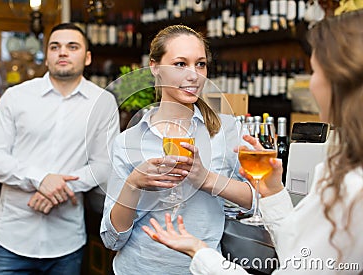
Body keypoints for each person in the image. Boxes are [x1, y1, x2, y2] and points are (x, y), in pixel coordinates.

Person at [142, 10, 363, 274]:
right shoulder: (346, 172)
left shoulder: (353, 187)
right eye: (181, 64)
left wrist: (199, 252)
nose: (310, 84)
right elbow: (302, 256)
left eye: (314, 71)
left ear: (341, 82)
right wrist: (273, 192)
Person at [100, 25, 255, 275]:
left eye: (201, 64)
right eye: (181, 64)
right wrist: (133, 183)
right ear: (155, 67)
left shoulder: (227, 129)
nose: (193, 75)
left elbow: (257, 201)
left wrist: (206, 179)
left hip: (202, 269)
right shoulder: (129, 141)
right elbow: (112, 238)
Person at [0, 23, 120, 274]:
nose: (62, 52)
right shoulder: (16, 96)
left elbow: (104, 164)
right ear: (47, 57)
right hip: (12, 238)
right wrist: (41, 179)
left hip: (66, 242)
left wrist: (60, 188)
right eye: (55, 47)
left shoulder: (103, 102)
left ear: (87, 58)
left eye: (72, 47)